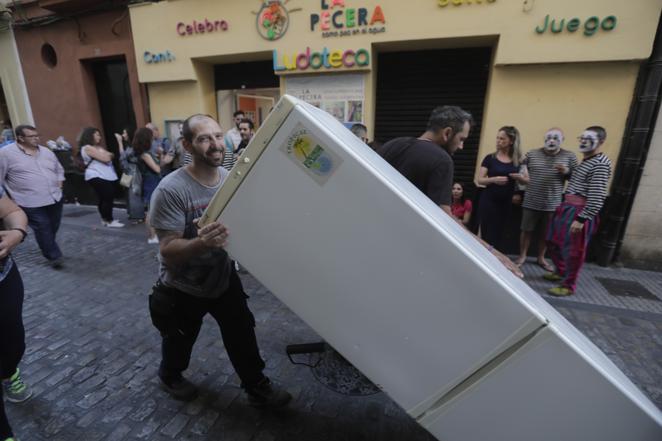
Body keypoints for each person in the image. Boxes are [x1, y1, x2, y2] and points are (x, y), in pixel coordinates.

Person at [148, 113, 292, 406]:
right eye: (203, 139)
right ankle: (170, 375)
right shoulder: (171, 189)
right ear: (187, 145)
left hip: (223, 277)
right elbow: (167, 248)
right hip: (182, 285)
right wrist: (202, 242)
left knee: (242, 333)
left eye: (217, 136)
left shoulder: (229, 179)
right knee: (179, 339)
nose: (215, 145)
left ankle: (256, 385)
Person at [378, 106, 522, 277]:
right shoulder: (442, 159)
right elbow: (444, 217)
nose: (461, 146)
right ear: (447, 133)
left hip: (378, 237)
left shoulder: (392, 145)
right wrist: (489, 250)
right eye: (461, 139)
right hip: (408, 247)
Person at [545, 126, 612, 297]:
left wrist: (582, 219)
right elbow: (582, 181)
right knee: (553, 241)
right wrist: (567, 172)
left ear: (601, 142)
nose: (583, 141)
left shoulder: (601, 163)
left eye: (588, 138)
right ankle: (560, 271)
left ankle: (568, 285)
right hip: (566, 207)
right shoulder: (587, 161)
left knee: (574, 250)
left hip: (579, 211)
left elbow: (597, 195)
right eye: (581, 137)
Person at [0, 125, 66, 268]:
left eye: (37, 135)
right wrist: (8, 200)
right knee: (43, 227)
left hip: (54, 197)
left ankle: (47, 243)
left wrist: (59, 185)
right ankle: (54, 256)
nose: (36, 138)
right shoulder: (5, 153)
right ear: (20, 138)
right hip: (29, 201)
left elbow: (59, 169)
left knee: (53, 226)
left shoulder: (47, 152)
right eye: (32, 136)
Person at [514, 128, 578, 270]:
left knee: (546, 232)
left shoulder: (570, 156)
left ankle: (541, 258)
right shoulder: (531, 154)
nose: (551, 140)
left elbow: (577, 178)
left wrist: (566, 171)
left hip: (553, 203)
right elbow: (522, 174)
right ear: (544, 138)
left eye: (556, 138)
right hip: (531, 199)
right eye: (549, 137)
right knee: (526, 230)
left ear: (562, 140)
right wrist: (518, 192)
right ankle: (522, 255)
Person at [0, 188, 32, 441]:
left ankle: (8, 371)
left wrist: (17, 233)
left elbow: (12, 211)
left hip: (4, 276)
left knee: (14, 342)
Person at [476, 126, 527, 250]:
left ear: (511, 141)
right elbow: (480, 180)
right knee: (485, 232)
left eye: (502, 139)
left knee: (499, 233)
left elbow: (527, 180)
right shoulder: (490, 158)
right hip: (489, 201)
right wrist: (493, 179)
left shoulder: (519, 160)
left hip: (505, 203)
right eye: (497, 138)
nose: (498, 141)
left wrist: (519, 177)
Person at [76, 127, 124, 228]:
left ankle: (105, 219)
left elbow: (110, 155)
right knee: (107, 197)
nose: (100, 137)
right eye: (97, 134)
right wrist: (108, 155)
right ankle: (109, 220)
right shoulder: (88, 148)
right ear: (90, 135)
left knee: (104, 198)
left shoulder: (97, 148)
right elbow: (107, 158)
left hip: (104, 175)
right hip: (97, 175)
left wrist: (108, 155)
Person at [134, 128, 162, 244]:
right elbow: (157, 169)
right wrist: (161, 159)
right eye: (151, 137)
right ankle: (152, 237)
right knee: (150, 212)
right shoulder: (145, 155)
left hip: (150, 182)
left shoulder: (143, 153)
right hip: (150, 183)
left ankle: (154, 235)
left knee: (152, 210)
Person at [116, 128, 145, 222]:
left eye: (124, 133)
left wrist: (119, 143)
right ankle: (131, 213)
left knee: (134, 192)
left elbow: (123, 157)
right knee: (127, 193)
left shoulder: (134, 146)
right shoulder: (128, 146)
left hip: (133, 171)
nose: (123, 135)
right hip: (127, 172)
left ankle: (138, 215)